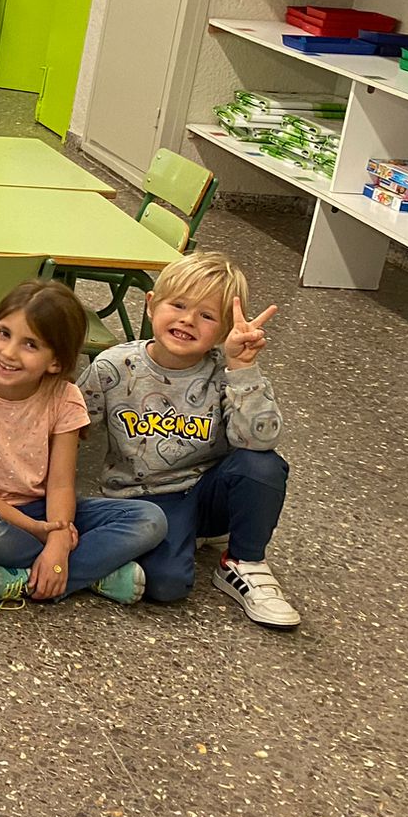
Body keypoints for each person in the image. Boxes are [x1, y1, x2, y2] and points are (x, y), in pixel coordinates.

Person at [80, 251, 297, 629]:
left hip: (206, 492)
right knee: (167, 584)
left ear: (224, 329)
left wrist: (243, 368)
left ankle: (244, 562)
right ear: (151, 305)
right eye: (178, 305)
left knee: (262, 465)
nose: (188, 320)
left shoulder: (226, 371)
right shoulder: (112, 367)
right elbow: (71, 426)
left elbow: (261, 440)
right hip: (144, 499)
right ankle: (182, 537)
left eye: (207, 315)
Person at [0, 281, 167, 609]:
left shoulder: (65, 398)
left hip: (43, 508)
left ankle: (20, 579)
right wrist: (42, 534)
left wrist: (57, 537)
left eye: (30, 344)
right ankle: (90, 572)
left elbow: (60, 484)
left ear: (55, 361)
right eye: (4, 334)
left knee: (150, 518)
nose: (9, 353)